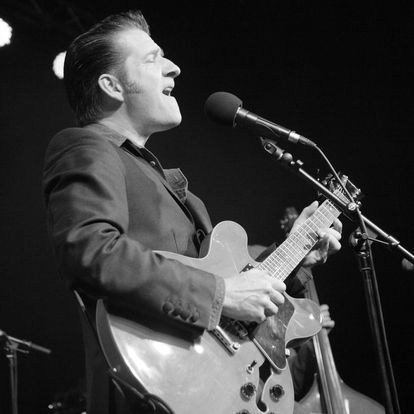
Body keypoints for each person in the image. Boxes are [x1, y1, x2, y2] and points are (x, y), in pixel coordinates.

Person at [42, 10, 342, 414]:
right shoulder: (85, 146)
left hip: (207, 387)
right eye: (153, 59)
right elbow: (91, 253)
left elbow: (232, 297)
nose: (174, 68)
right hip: (148, 393)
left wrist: (296, 252)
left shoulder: (173, 189)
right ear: (112, 86)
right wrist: (221, 294)